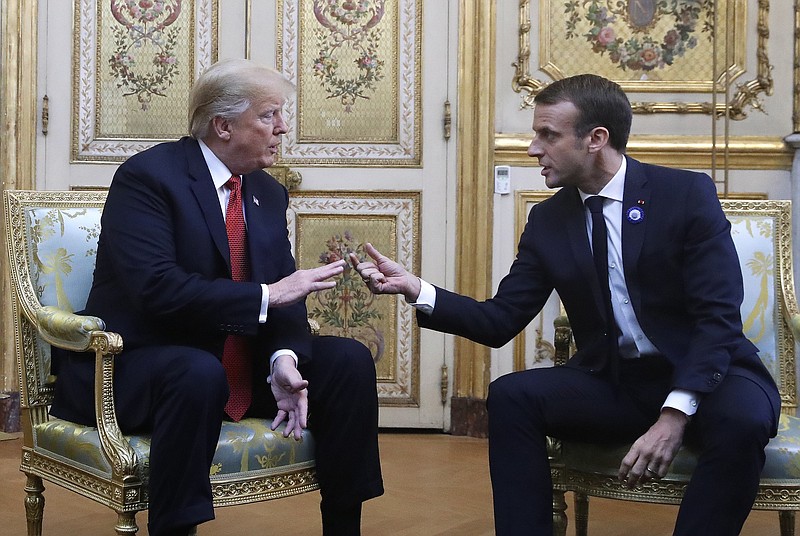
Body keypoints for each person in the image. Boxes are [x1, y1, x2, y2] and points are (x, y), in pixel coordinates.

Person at [350, 73, 780, 535]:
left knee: (744, 420)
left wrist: (675, 415)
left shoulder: (684, 196)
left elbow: (716, 318)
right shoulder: (549, 219)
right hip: (619, 382)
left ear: (596, 139)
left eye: (548, 135)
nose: (533, 148)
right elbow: (500, 320)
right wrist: (417, 289)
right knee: (513, 396)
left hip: (708, 376)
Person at [50, 58, 384, 536]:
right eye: (269, 115)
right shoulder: (148, 177)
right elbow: (156, 288)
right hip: (141, 363)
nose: (283, 128)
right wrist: (267, 295)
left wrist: (282, 359)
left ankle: (344, 524)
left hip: (236, 362)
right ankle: (174, 528)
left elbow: (283, 288)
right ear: (223, 125)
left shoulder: (267, 191)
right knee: (197, 371)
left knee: (347, 361)